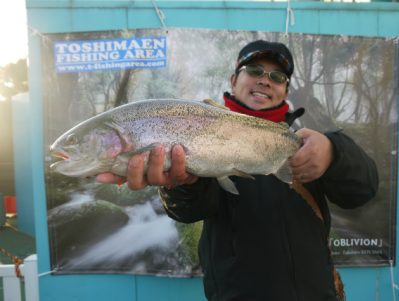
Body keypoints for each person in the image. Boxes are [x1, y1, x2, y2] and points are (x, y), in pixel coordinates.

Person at [97, 40, 378, 301]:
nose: (265, 80)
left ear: (286, 90)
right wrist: (181, 183)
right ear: (234, 80)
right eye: (254, 70)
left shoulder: (308, 141)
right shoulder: (198, 131)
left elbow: (363, 191)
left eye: (277, 77)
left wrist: (334, 152)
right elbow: (190, 210)